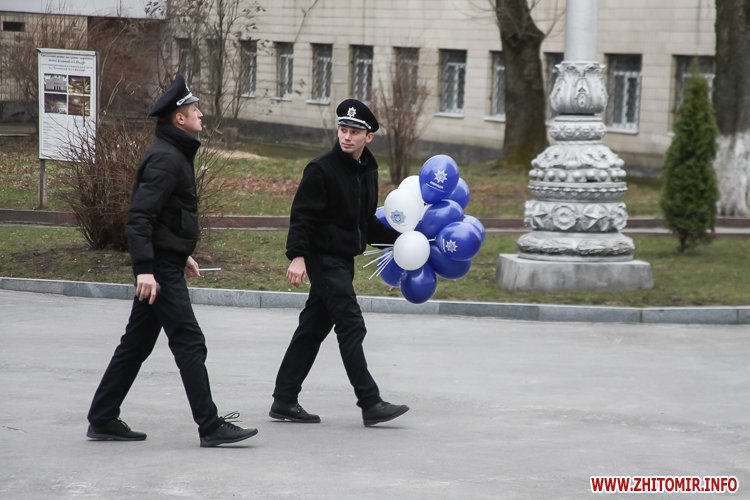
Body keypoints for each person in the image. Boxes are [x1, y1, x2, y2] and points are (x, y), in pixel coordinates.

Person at [86, 75, 257, 447]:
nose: (201, 114)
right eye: (195, 110)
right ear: (179, 118)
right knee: (189, 341)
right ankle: (210, 426)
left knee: (136, 344)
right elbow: (140, 218)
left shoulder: (174, 153)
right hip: (158, 270)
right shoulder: (166, 158)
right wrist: (146, 270)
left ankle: (102, 417)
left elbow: (165, 217)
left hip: (165, 262)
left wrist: (182, 253)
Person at [269, 98, 410, 427]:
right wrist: (298, 256)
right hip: (323, 258)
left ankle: (284, 399)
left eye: (354, 132)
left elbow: (365, 222)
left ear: (368, 137)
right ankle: (370, 402)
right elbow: (302, 216)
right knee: (351, 324)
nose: (346, 136)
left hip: (343, 260)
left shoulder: (367, 170)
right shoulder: (321, 169)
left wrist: (402, 241)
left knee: (312, 328)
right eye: (343, 129)